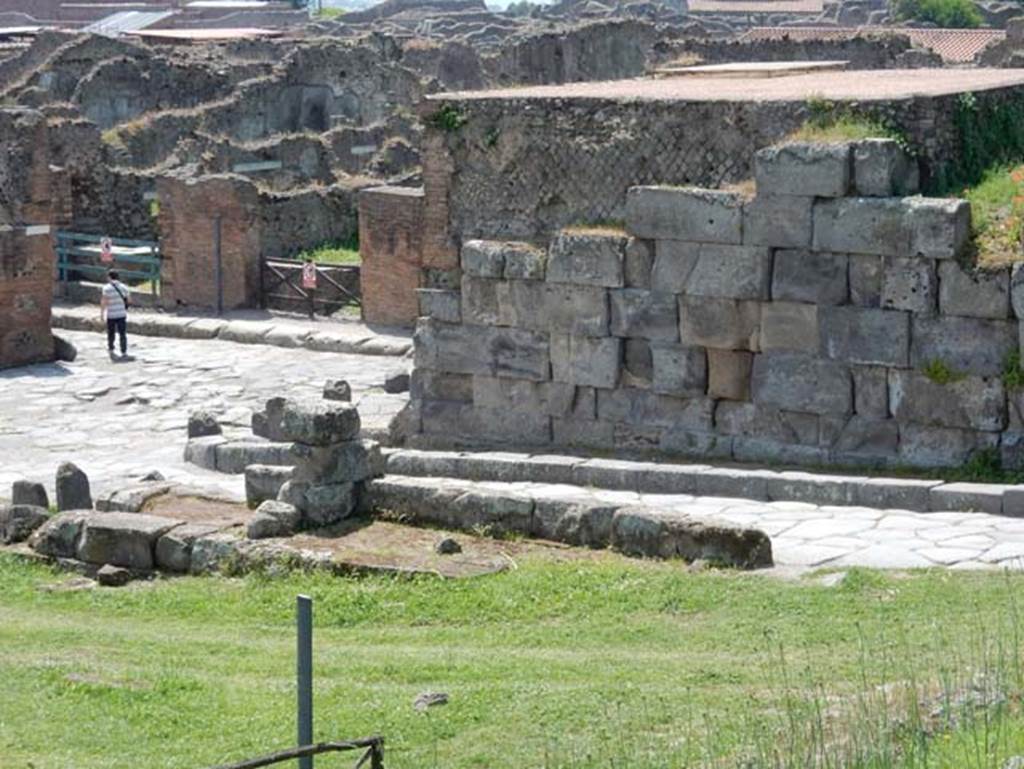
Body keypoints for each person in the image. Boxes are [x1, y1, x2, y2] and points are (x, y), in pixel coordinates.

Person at [100, 269, 130, 357]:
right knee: (122, 333)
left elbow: (104, 302)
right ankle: (124, 350)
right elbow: (129, 300)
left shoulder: (106, 288)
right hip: (121, 314)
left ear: (109, 277)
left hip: (111, 314)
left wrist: (102, 314)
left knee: (111, 333)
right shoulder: (124, 287)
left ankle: (111, 348)